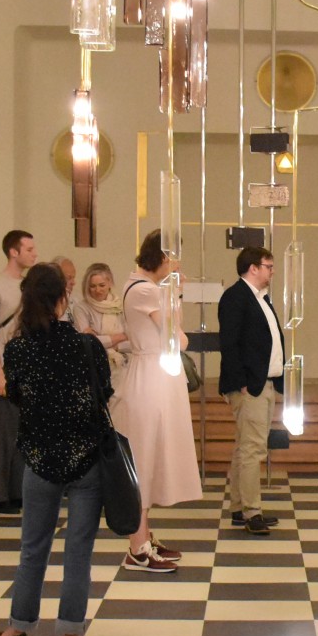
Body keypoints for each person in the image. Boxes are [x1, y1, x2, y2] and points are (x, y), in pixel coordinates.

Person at [0, 263, 107, 636]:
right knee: (78, 552)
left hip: (39, 458)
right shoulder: (86, 346)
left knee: (33, 548)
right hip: (85, 458)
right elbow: (103, 392)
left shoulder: (18, 350)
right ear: (63, 298)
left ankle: (17, 630)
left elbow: (15, 396)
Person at [112, 231, 202, 572]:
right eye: (174, 259)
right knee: (144, 460)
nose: (176, 266)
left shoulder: (141, 286)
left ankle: (143, 537)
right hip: (151, 381)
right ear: (162, 257)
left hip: (152, 377)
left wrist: (173, 295)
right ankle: (138, 547)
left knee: (148, 459)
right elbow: (177, 339)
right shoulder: (146, 290)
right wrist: (175, 296)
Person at [217, 245, 284, 534]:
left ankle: (238, 508)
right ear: (253, 268)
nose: (272, 271)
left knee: (245, 446)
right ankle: (251, 512)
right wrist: (241, 381)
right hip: (250, 386)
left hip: (263, 382)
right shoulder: (236, 297)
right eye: (269, 266)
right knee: (253, 449)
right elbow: (229, 343)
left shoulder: (260, 298)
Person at [0, 229, 36, 513]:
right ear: (14, 252)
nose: (34, 254)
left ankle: (17, 492)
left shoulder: (28, 286)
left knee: (21, 434)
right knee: (0, 436)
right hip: (2, 369)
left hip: (24, 369)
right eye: (29, 249)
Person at [70, 261, 130, 381]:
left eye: (102, 285)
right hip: (96, 368)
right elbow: (88, 343)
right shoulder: (81, 308)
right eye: (93, 286)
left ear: (110, 283)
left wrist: (114, 345)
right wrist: (121, 336)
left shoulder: (121, 306)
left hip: (125, 366)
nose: (97, 290)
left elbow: (134, 341)